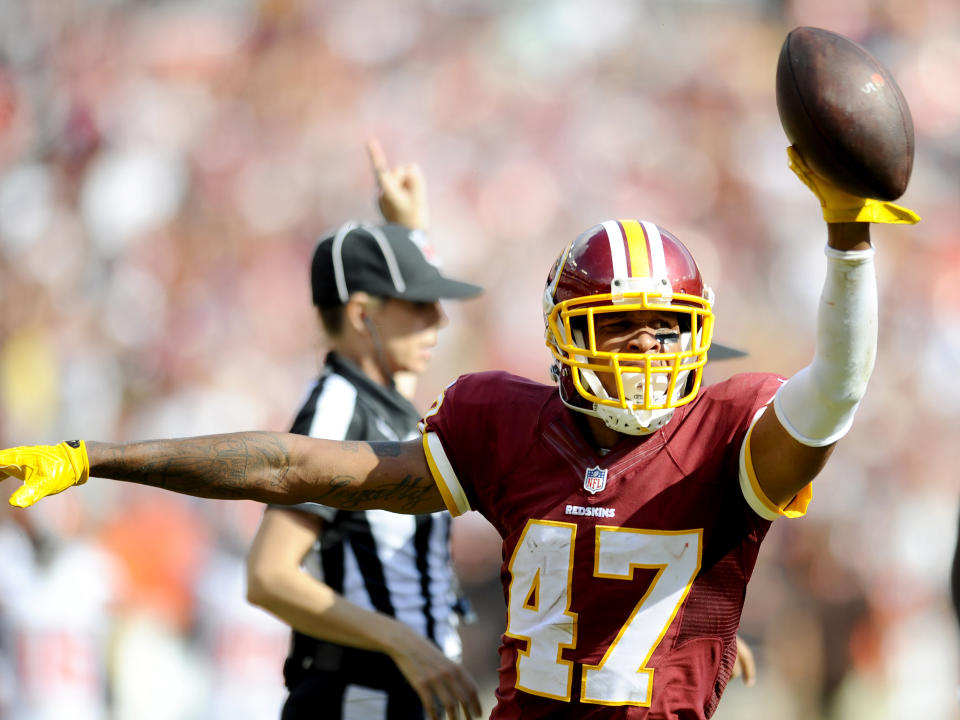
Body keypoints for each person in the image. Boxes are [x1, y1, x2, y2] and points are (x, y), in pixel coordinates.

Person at [0, 147, 919, 719]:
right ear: (566, 334)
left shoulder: (728, 431)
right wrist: (96, 458)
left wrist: (848, 238)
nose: (646, 347)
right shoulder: (503, 422)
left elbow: (837, 387)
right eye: (618, 324)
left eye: (669, 327)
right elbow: (292, 466)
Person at [244, 139, 483, 720]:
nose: (438, 320)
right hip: (360, 694)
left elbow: (395, 391)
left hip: (399, 691)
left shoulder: (381, 393)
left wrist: (412, 229)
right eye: (418, 306)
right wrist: (408, 646)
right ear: (361, 315)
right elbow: (268, 575)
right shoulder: (337, 410)